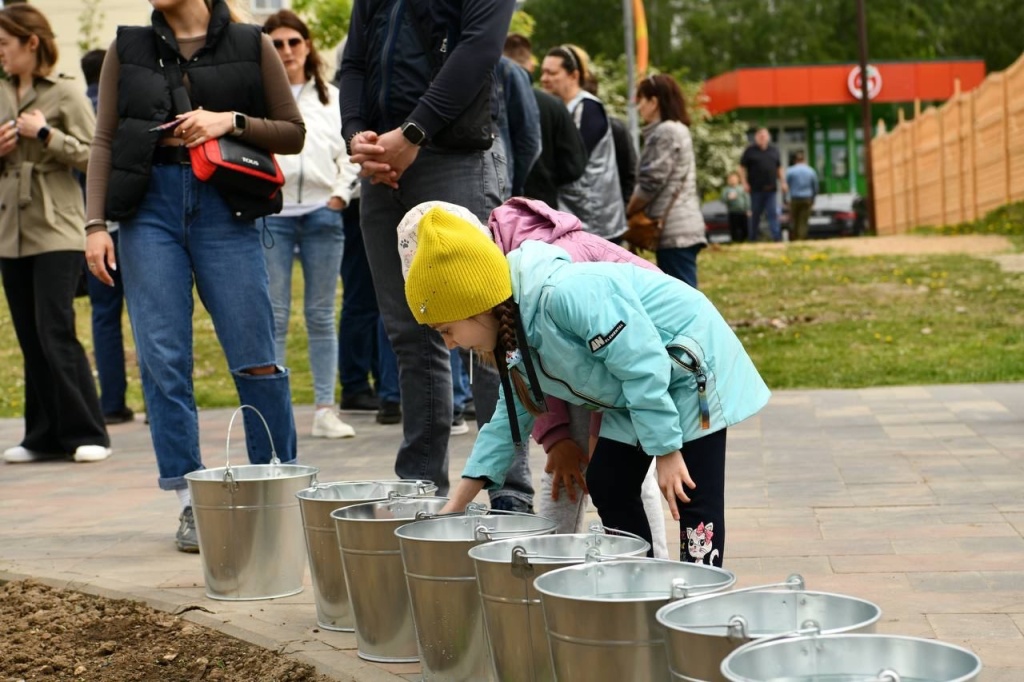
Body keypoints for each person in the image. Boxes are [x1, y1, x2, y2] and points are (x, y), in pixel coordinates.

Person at [408, 206, 771, 566]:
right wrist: (457, 505)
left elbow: (642, 363)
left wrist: (666, 451)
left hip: (690, 368)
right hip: (639, 386)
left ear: (475, 305)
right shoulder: (513, 336)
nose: (450, 345)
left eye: (446, 330)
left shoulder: (564, 293)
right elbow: (506, 423)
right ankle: (638, 579)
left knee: (688, 493)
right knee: (609, 481)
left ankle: (697, 602)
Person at [85, 0, 304, 552]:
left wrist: (227, 121)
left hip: (223, 204)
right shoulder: (126, 46)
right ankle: (189, 500)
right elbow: (105, 140)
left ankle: (275, 483)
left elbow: (292, 132)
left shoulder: (251, 42)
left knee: (257, 354)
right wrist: (94, 223)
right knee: (163, 361)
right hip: (147, 209)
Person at [339, 0, 536, 511]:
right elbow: (354, 63)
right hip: (382, 166)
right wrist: (357, 135)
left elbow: (479, 49)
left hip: (456, 155)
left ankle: (509, 492)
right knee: (411, 333)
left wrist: (413, 133)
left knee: (494, 322)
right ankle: (422, 487)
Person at [397, 198, 670, 557]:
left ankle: (654, 567)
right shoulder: (497, 307)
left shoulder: (553, 271)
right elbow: (523, 392)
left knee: (620, 477)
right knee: (567, 469)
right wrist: (555, 437)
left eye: (447, 330)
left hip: (646, 366)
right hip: (593, 376)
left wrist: (598, 436)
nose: (448, 345)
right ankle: (553, 568)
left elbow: (619, 362)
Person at [0, 4, 111, 465]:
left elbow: (93, 155)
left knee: (55, 330)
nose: (0, 53)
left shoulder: (65, 93)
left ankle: (89, 432)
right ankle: (41, 437)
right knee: (28, 334)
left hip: (58, 227)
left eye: (5, 44)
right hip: (10, 228)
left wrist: (46, 135)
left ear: (31, 42)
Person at [261, 10, 356, 440]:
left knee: (320, 315)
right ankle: (274, 411)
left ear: (307, 45)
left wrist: (340, 194)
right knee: (274, 316)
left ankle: (324, 409)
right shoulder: (258, 97)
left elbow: (350, 152)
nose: (286, 52)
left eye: (293, 43)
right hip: (275, 216)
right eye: (276, 44)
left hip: (322, 212)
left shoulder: (331, 98)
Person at [79, 48, 135, 426]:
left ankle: (112, 403)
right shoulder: (126, 106)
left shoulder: (80, 108)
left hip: (94, 227)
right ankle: (160, 402)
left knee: (104, 317)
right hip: (131, 224)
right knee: (149, 317)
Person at [626, 73, 707, 288]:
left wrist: (629, 210)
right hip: (682, 225)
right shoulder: (678, 129)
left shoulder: (666, 132)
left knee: (683, 300)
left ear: (654, 102)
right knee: (683, 294)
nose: (639, 107)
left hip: (674, 230)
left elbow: (651, 182)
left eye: (641, 100)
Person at [540, 44, 626, 241]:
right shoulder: (560, 108)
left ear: (573, 76)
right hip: (575, 218)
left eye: (552, 73)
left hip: (596, 224)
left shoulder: (588, 108)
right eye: (543, 72)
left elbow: (570, 162)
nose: (544, 79)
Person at [503, 34, 586, 209]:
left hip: (497, 202)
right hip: (542, 206)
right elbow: (574, 167)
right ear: (530, 65)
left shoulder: (485, 101)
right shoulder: (552, 105)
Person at [739, 127, 787, 242]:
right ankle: (753, 238)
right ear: (756, 137)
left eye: (764, 135)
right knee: (755, 215)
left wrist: (783, 182)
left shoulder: (774, 151)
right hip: (755, 190)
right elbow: (741, 168)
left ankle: (777, 238)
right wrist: (744, 183)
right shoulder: (750, 151)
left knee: (773, 214)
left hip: (771, 189)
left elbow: (779, 168)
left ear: (768, 137)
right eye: (760, 136)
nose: (762, 138)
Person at [785, 150, 819, 241]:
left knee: (794, 220)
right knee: (803, 220)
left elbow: (786, 186)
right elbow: (815, 186)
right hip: (807, 198)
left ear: (795, 160)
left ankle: (795, 238)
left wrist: (786, 199)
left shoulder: (790, 171)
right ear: (804, 160)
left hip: (794, 198)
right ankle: (801, 238)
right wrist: (813, 199)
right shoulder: (810, 171)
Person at [722, 172, 750, 244]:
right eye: (731, 179)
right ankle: (734, 240)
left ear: (738, 179)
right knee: (733, 227)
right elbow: (723, 200)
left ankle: (745, 240)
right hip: (732, 212)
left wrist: (748, 209)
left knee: (744, 227)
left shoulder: (742, 188)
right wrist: (728, 198)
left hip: (742, 211)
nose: (733, 180)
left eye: (734, 179)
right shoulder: (726, 190)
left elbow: (747, 199)